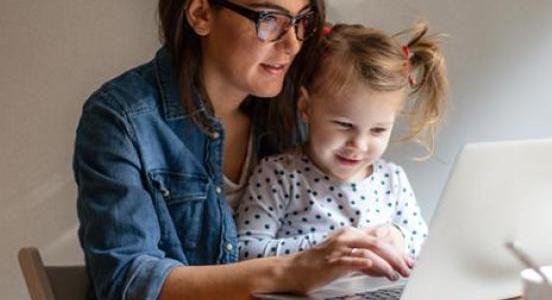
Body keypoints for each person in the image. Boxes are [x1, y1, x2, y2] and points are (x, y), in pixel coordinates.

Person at [73, 1, 413, 299]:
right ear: (201, 13)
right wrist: (294, 270)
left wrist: (392, 237)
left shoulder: (304, 112)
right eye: (270, 19)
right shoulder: (122, 120)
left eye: (301, 21)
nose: (293, 44)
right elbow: (128, 283)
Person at [236, 23, 447, 264]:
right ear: (306, 107)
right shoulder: (279, 176)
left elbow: (423, 247)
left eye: (378, 130)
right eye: (344, 125)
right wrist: (326, 246)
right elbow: (245, 251)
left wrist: (399, 238)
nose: (359, 144)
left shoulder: (392, 181)